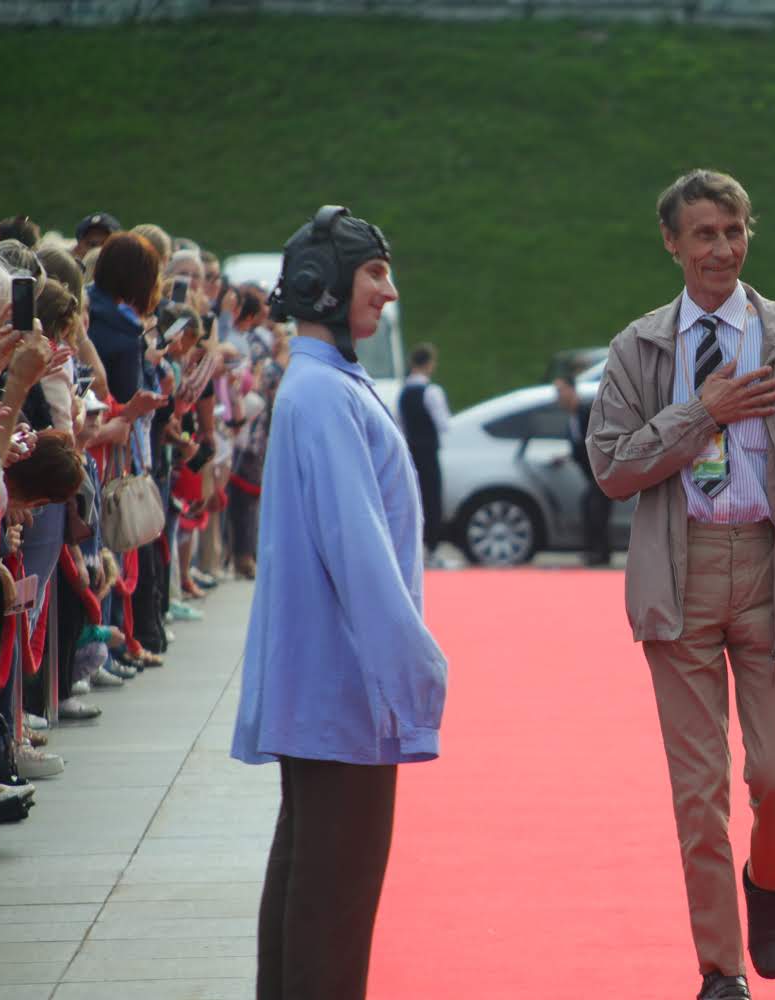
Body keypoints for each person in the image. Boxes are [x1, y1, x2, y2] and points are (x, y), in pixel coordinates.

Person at [586, 169, 775, 1000]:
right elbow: (612, 468)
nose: (722, 249)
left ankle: (768, 873)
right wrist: (703, 411)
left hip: (774, 568)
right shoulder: (640, 348)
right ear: (671, 243)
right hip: (679, 571)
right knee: (700, 794)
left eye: (734, 231)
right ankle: (722, 971)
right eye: (704, 234)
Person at [232, 205, 448, 1000]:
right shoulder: (324, 394)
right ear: (323, 284)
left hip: (332, 683)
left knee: (311, 882)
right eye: (375, 273)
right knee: (334, 900)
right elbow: (358, 554)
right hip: (344, 685)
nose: (389, 291)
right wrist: (418, 670)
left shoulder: (321, 385)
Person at [397, 343, 451, 564]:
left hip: (411, 452)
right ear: (429, 364)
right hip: (428, 451)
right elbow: (443, 424)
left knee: (414, 499)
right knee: (432, 498)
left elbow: (400, 425)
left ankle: (414, 547)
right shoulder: (432, 392)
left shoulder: (403, 392)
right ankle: (433, 547)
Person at [555, 374, 612, 565]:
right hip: (592, 476)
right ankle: (595, 551)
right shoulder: (572, 418)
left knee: (596, 509)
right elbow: (579, 447)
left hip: (601, 472)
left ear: (572, 390)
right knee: (589, 506)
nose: (558, 396)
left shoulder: (587, 413)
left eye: (560, 390)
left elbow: (596, 441)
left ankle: (600, 553)